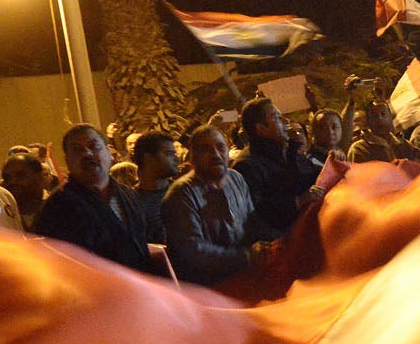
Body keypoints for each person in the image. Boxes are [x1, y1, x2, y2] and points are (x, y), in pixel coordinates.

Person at [31, 124, 159, 274]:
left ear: (108, 151)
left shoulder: (128, 194)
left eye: (94, 146)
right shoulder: (58, 206)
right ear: (67, 160)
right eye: (78, 150)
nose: (87, 154)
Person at [162, 123, 263, 287]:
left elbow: (252, 223)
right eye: (205, 150)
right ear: (192, 157)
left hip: (246, 277)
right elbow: (193, 251)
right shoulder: (181, 195)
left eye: (220, 147)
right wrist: (245, 257)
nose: (215, 154)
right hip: (207, 289)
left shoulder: (236, 179)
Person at [233, 98, 313, 244]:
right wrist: (297, 202)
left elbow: (313, 177)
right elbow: (256, 211)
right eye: (276, 117)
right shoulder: (247, 166)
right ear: (261, 128)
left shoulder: (291, 154)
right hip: (283, 248)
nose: (285, 120)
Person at [127, 131, 180, 246]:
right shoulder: (131, 202)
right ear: (148, 158)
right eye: (169, 154)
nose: (176, 159)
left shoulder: (183, 192)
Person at [0, 148, 52, 231]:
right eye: (7, 178)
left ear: (41, 177)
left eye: (21, 176)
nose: (13, 182)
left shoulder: (58, 212)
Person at [347, 101, 412, 165]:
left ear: (390, 117)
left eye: (383, 114)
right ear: (368, 121)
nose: (380, 119)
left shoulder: (403, 144)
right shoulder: (360, 149)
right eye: (374, 116)